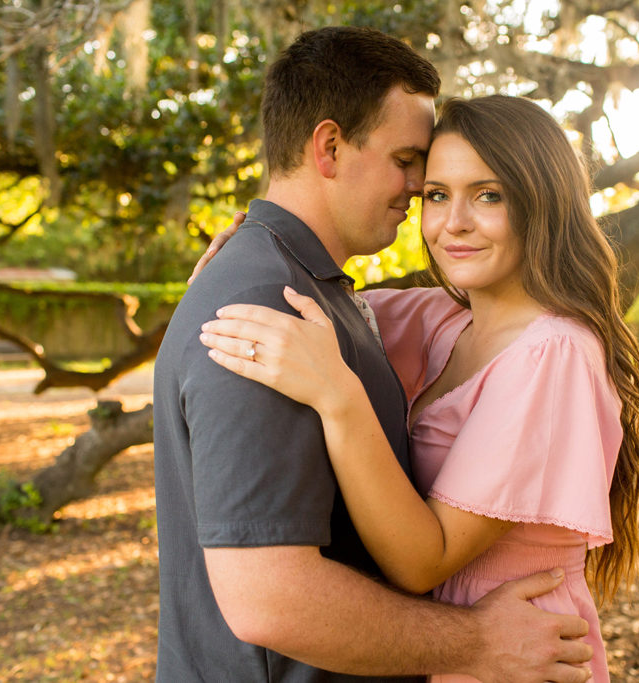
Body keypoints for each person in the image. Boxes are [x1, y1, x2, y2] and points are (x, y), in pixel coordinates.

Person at [155, 27, 594, 683]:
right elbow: (270, 600)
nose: (418, 189)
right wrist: (474, 642)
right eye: (409, 162)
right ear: (329, 147)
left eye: (487, 193)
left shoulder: (324, 299)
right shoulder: (267, 308)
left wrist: (245, 258)